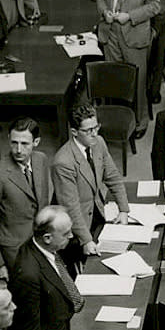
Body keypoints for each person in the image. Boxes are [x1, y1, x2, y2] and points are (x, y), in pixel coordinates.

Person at [9, 206, 83, 330]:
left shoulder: (44, 249)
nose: (71, 236)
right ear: (47, 238)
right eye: (66, 234)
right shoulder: (28, 273)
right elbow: (29, 327)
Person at [95, 0, 160, 136]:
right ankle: (116, 122)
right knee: (113, 81)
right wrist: (104, 11)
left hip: (134, 34)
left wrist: (130, 16)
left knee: (137, 81)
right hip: (110, 34)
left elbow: (154, 6)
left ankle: (140, 123)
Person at [51, 103, 130, 257]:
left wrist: (124, 209)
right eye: (88, 130)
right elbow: (71, 207)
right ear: (74, 132)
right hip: (75, 228)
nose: (94, 133)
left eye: (96, 127)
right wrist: (86, 240)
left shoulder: (98, 142)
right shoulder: (63, 162)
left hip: (97, 211)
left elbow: (113, 177)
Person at [0, 118, 53, 280]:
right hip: (13, 252)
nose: (18, 150)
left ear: (36, 142)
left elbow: (43, 203)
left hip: (40, 245)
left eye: (25, 144)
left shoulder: (41, 159)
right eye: (14, 143)